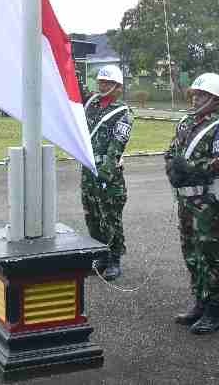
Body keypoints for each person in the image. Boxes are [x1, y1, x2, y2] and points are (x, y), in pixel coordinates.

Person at [165, 73, 219, 335]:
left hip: (210, 202)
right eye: (194, 94)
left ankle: (213, 311)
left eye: (201, 94)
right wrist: (172, 169)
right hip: (187, 200)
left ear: (215, 99)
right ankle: (199, 300)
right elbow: (171, 151)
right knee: (191, 253)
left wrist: (190, 169)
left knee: (210, 255)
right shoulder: (186, 122)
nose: (194, 98)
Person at [80, 65, 134, 281]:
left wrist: (106, 171)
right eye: (100, 82)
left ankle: (114, 259)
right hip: (88, 170)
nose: (102, 86)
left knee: (110, 217)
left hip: (107, 173)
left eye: (107, 83)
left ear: (118, 87)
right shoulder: (91, 105)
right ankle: (100, 255)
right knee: (92, 215)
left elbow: (117, 145)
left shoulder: (123, 113)